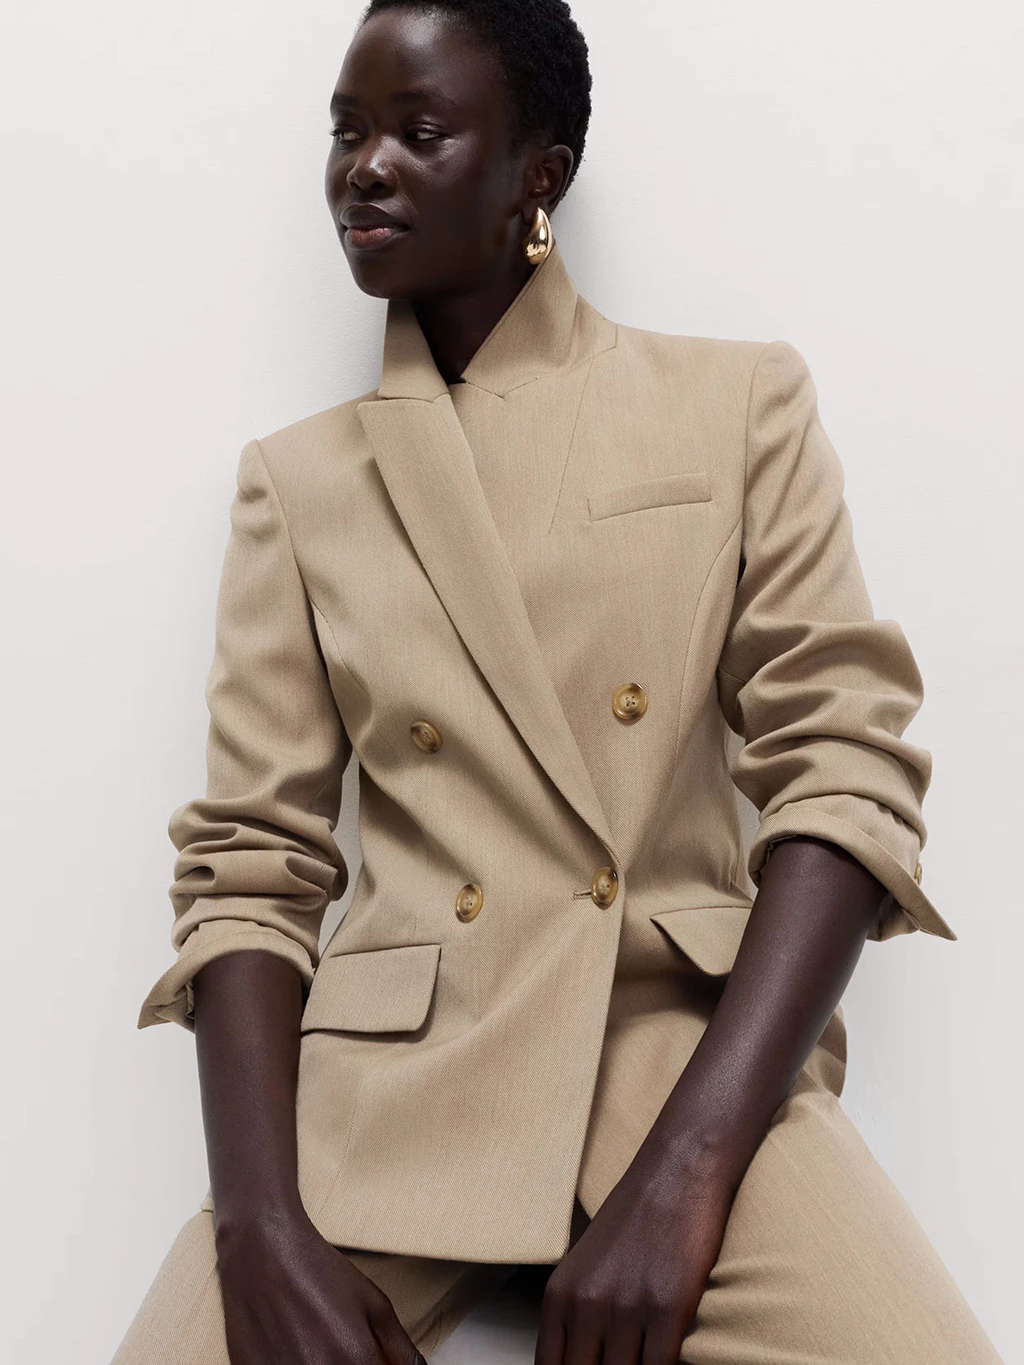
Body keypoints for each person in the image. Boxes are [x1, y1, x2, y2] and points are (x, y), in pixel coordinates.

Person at [112, 2, 1004, 1363]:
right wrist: (259, 1225)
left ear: (541, 171)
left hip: (677, 1058)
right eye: (347, 133)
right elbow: (252, 866)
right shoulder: (298, 485)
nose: (366, 168)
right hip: (392, 1090)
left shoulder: (736, 403)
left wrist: (689, 1174)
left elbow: (844, 775)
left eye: (420, 131)